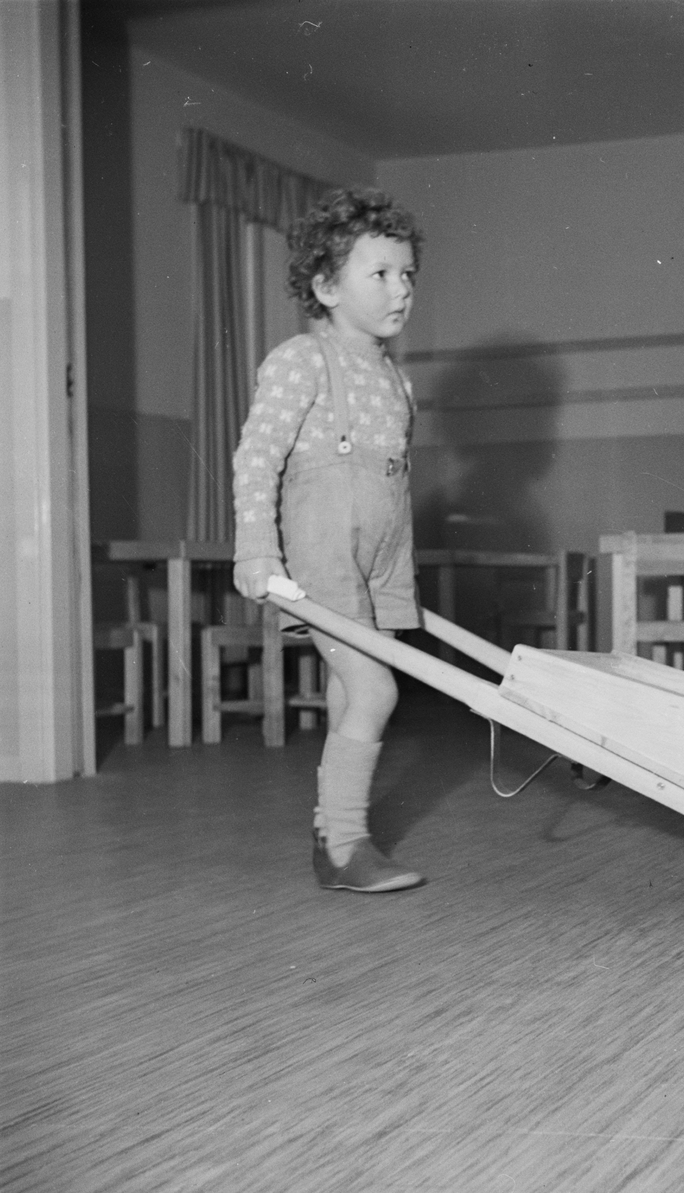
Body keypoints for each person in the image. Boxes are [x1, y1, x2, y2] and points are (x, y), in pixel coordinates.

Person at [232, 187, 425, 893]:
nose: (400, 289)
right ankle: (344, 845)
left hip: (381, 556)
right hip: (320, 551)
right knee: (375, 689)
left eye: (407, 274)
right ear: (325, 285)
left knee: (353, 695)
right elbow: (257, 457)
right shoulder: (301, 361)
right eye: (379, 274)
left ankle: (331, 836)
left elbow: (391, 486)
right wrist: (255, 546)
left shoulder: (397, 381)